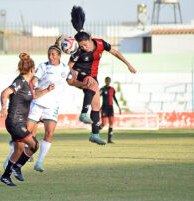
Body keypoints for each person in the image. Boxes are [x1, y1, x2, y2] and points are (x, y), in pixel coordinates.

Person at [67, 6, 136, 145]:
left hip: (91, 78)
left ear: (90, 39)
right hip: (76, 76)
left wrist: (128, 64)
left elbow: (115, 52)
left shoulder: (100, 44)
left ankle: (94, 134)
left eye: (85, 45)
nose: (84, 48)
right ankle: (83, 113)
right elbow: (69, 67)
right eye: (81, 46)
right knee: (92, 83)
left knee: (97, 104)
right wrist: (73, 72)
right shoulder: (78, 51)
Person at [0, 53, 55, 186]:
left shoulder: (29, 84)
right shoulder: (20, 81)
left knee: (19, 150)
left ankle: (6, 176)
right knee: (34, 145)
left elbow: (33, 96)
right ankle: (17, 167)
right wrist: (3, 107)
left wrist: (47, 90)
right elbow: (5, 92)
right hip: (14, 121)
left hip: (19, 122)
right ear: (32, 70)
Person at [27, 36, 72, 172]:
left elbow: (71, 81)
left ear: (59, 55)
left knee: (49, 133)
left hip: (53, 105)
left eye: (53, 54)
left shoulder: (65, 69)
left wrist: (84, 83)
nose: (51, 57)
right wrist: (33, 88)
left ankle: (39, 163)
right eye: (49, 54)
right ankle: (17, 155)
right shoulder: (43, 66)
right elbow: (32, 81)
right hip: (38, 102)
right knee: (27, 132)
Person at [100, 77, 121, 143]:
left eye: (109, 80)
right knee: (103, 124)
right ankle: (95, 132)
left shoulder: (112, 89)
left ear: (110, 81)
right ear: (105, 81)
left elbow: (114, 98)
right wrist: (98, 106)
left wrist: (119, 107)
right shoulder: (102, 89)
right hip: (104, 108)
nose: (108, 82)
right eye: (107, 80)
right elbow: (97, 97)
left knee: (111, 123)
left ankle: (109, 139)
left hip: (111, 108)